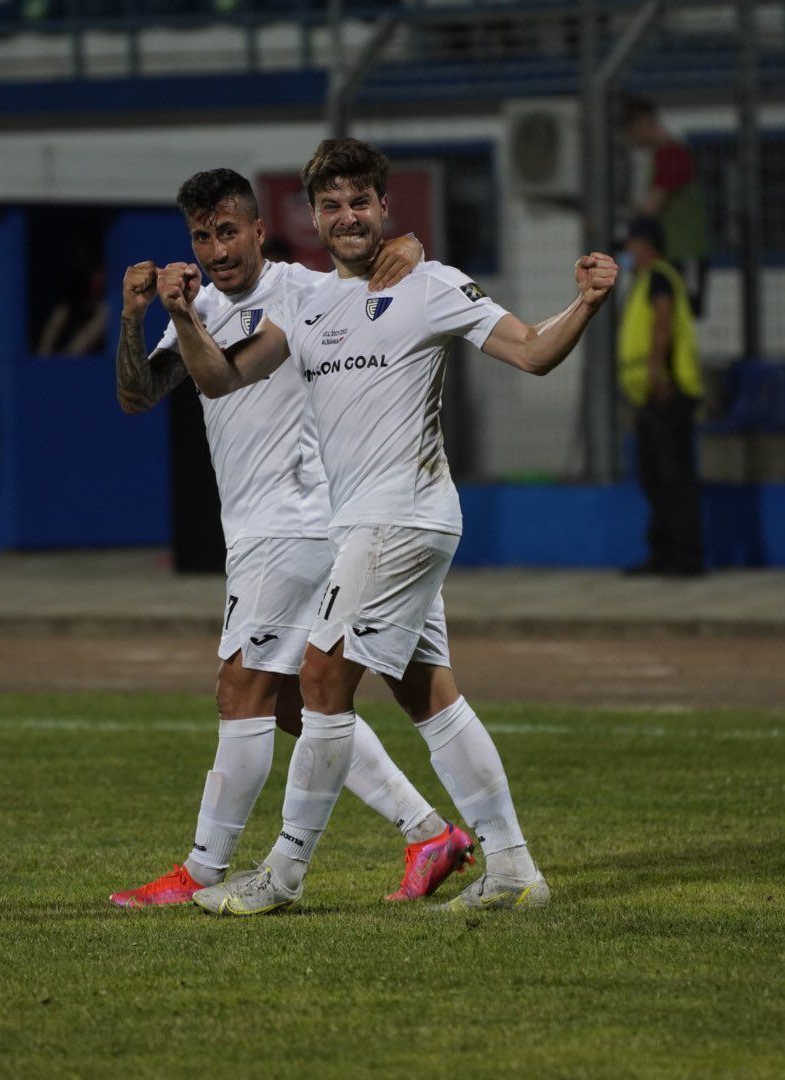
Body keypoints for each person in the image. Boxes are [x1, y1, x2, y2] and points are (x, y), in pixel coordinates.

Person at [162, 137, 617, 915]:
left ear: (383, 207)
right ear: (312, 217)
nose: (347, 217)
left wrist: (586, 303)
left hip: (401, 520)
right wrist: (180, 315)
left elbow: (534, 354)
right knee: (431, 697)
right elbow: (222, 378)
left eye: (360, 202)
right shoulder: (306, 305)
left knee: (317, 679)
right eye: (331, 205)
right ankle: (512, 868)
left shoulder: (431, 285)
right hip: (365, 529)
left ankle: (283, 875)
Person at [108, 168, 475, 909]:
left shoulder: (300, 291)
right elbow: (136, 396)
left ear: (258, 230)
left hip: (298, 523)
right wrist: (134, 314)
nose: (216, 249)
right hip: (266, 527)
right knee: (296, 703)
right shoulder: (201, 309)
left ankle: (203, 871)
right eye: (202, 236)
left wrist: (405, 243)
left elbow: (379, 262)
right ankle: (430, 832)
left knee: (240, 686)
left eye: (228, 231)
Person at [618, 216, 706, 577]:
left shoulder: (659, 276)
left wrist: (656, 369)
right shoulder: (645, 281)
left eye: (631, 244)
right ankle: (664, 553)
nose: (627, 252)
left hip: (666, 390)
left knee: (674, 477)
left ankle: (685, 557)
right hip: (650, 394)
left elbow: (664, 319)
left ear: (644, 244)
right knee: (655, 477)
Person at [621, 96, 710, 319]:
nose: (630, 140)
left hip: (684, 252)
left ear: (643, 123)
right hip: (672, 253)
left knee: (678, 314)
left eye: (630, 131)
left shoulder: (672, 155)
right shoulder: (665, 155)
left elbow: (652, 207)